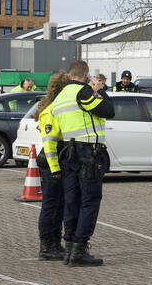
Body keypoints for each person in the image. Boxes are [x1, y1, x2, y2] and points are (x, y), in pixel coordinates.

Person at [49, 60, 115, 266]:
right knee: (90, 200)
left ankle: (69, 247)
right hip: (88, 153)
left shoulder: (59, 98)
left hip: (69, 153)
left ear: (69, 75)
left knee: (72, 201)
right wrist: (99, 91)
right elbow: (108, 110)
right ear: (85, 76)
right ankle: (79, 248)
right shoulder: (83, 93)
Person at [33, 71, 68, 261]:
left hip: (58, 159)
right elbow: (49, 143)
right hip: (51, 160)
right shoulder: (51, 110)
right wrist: (55, 169)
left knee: (59, 205)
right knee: (50, 205)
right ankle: (46, 246)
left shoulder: (58, 107)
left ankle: (55, 242)